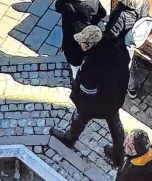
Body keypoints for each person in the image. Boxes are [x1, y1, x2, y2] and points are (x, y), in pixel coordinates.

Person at [49, 23, 130, 166]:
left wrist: (81, 104)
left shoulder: (92, 65)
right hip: (115, 98)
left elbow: (87, 91)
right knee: (115, 124)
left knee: (79, 117)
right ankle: (119, 155)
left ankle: (70, 138)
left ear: (89, 45)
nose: (80, 45)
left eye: (82, 42)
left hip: (96, 103)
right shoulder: (118, 50)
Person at [55, 0, 105, 75]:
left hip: (70, 34)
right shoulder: (93, 2)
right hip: (88, 34)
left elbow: (58, 8)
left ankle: (75, 75)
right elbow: (102, 14)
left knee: (74, 59)